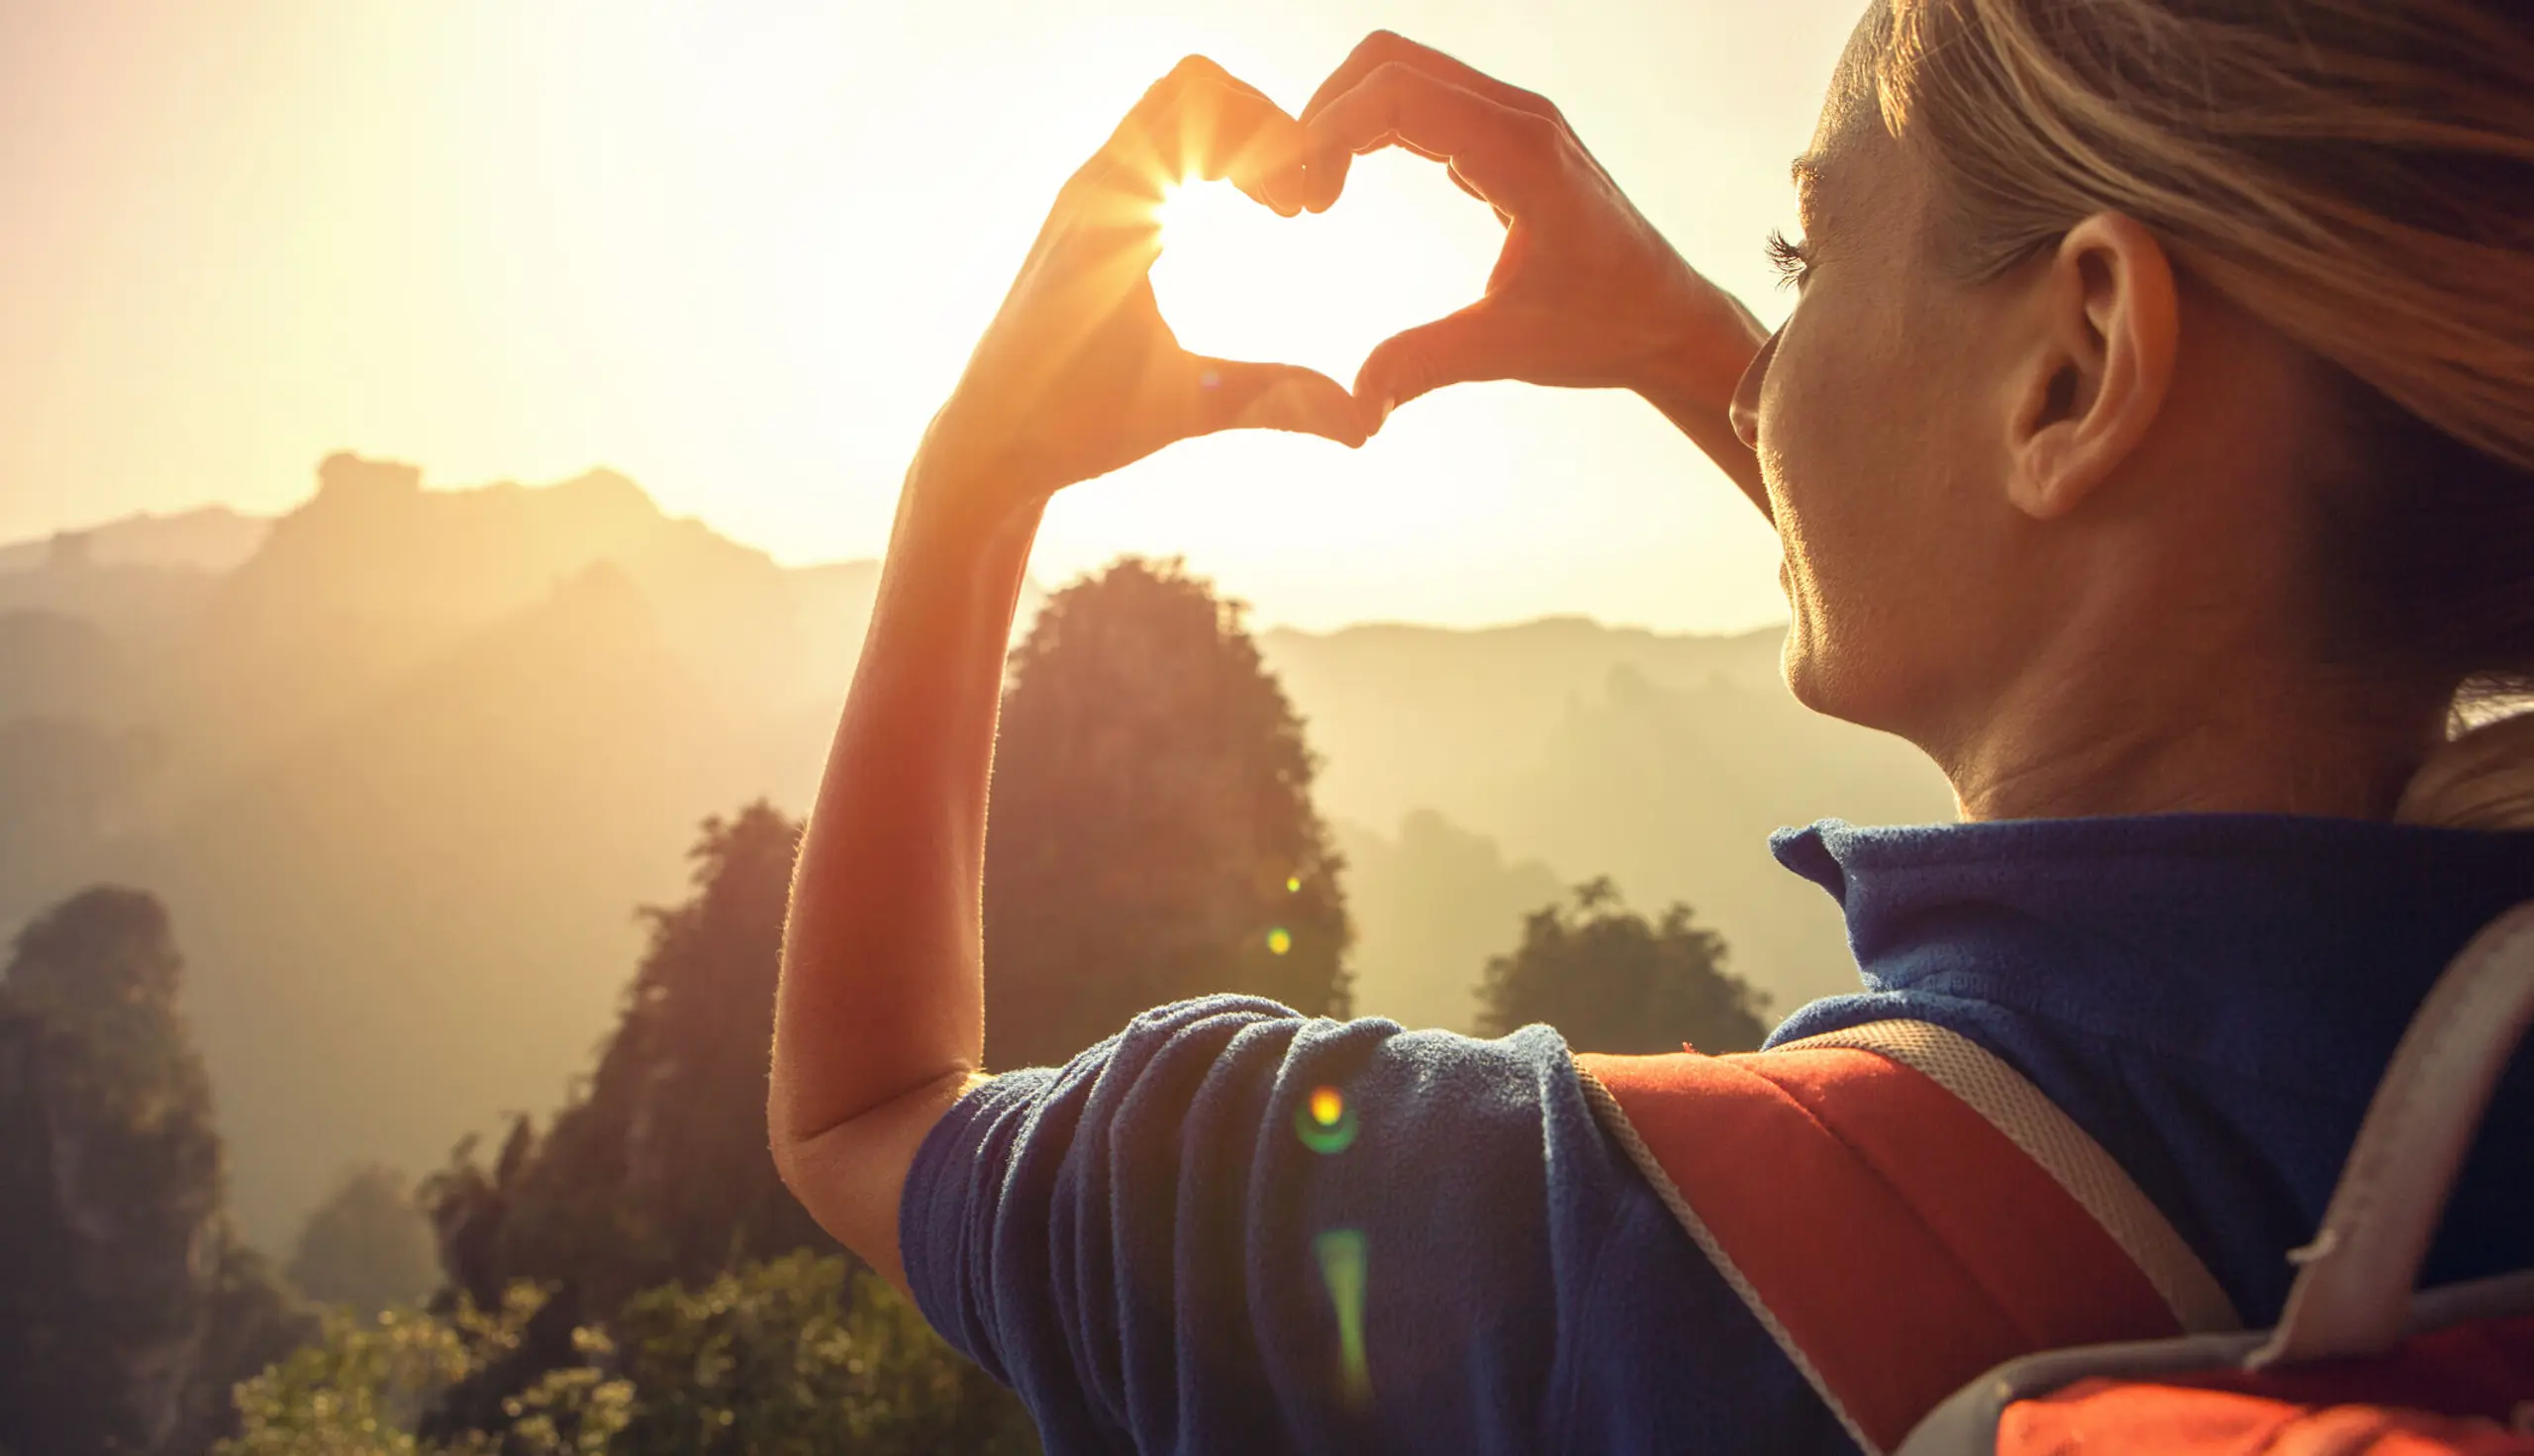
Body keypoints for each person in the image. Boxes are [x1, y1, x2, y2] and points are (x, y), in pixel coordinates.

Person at [769, 2, 2534, 1449]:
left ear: (2072, 369)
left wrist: (974, 482)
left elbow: (862, 1112)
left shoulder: (1531, 1248)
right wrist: (1683, 336)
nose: (1781, 321)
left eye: (1810, 249)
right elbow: (2112, 641)